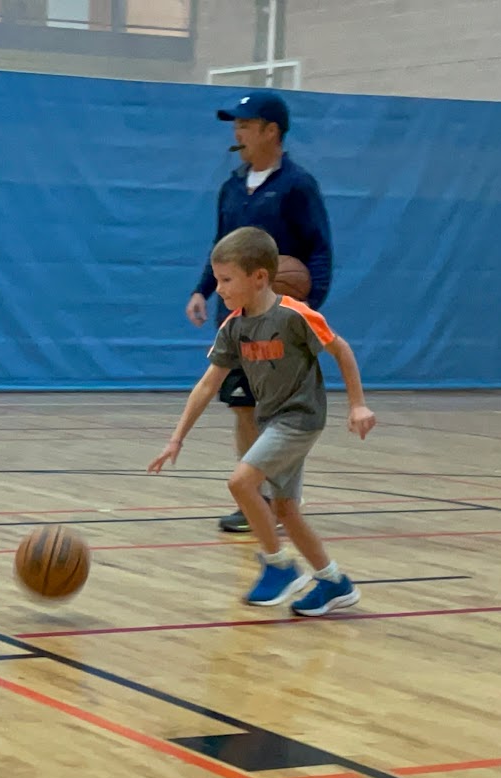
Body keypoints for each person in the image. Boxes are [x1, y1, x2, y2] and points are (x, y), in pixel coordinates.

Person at [150, 226, 374, 617]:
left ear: (259, 277)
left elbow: (341, 350)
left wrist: (357, 405)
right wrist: (176, 438)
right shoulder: (234, 326)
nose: (219, 288)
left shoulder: (295, 315)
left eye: (226, 280)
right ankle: (333, 582)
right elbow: (207, 385)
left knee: (240, 482)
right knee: (286, 509)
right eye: (217, 279)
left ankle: (278, 566)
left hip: (300, 418)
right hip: (271, 421)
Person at [184, 90, 333, 534]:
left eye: (246, 125)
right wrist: (203, 290)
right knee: (243, 407)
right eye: (236, 125)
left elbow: (318, 250)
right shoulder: (231, 187)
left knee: (280, 414)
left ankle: (281, 501)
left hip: (281, 317)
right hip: (237, 319)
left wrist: (307, 307)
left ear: (272, 131)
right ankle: (257, 499)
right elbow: (221, 249)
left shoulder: (298, 185)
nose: (238, 132)